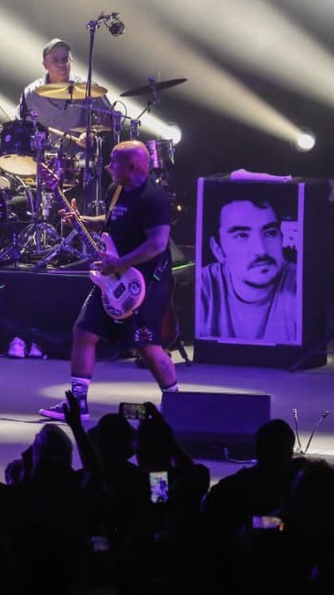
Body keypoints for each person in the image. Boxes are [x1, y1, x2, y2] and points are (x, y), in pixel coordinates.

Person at [39, 140, 179, 420]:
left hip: (145, 281)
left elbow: (157, 244)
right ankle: (77, 404)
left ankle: (176, 405)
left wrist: (121, 262)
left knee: (148, 347)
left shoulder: (153, 198)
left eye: (114, 162)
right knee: (84, 331)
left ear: (132, 165)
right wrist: (82, 219)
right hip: (113, 276)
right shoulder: (116, 190)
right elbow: (111, 221)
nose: (109, 167)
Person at [197, 194, 299, 344]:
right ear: (217, 249)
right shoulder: (205, 285)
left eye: (270, 233)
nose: (261, 250)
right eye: (242, 236)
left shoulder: (300, 282)